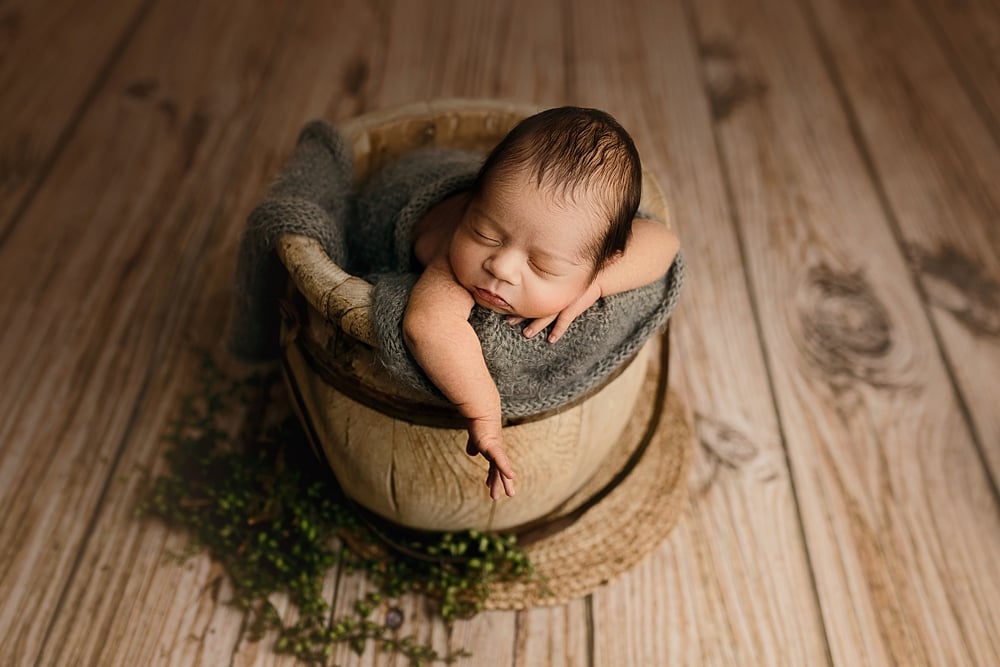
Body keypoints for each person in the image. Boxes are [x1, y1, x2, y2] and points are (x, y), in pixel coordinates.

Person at [402, 107, 680, 500]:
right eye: (485, 233)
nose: (501, 266)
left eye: (543, 265)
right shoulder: (452, 260)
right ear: (471, 209)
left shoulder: (585, 259)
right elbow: (428, 326)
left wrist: (595, 285)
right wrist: (484, 411)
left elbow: (665, 243)